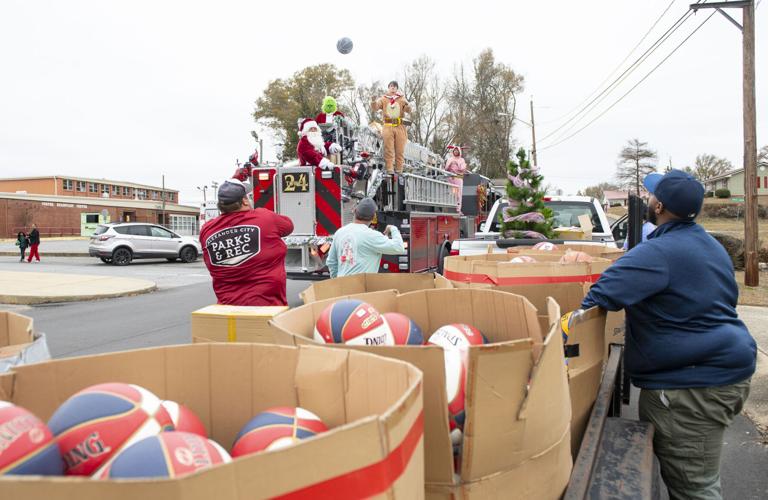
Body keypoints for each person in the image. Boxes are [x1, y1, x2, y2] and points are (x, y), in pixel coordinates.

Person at [579, 170, 756, 499]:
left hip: (690, 386)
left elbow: (601, 293)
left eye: (651, 194)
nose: (647, 199)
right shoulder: (708, 245)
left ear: (658, 206)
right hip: (723, 370)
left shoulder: (659, 253)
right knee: (696, 474)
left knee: (695, 488)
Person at [200, 179, 294, 306]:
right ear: (244, 200)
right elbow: (288, 226)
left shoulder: (207, 230)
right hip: (268, 307)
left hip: (227, 309)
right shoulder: (264, 218)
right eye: (247, 197)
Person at [326, 197, 405, 278]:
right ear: (374, 217)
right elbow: (399, 247)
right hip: (360, 288)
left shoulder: (340, 232)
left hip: (341, 288)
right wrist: (393, 229)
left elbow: (331, 262)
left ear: (355, 211)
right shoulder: (372, 236)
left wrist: (337, 282)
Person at [371, 81, 411, 175]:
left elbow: (408, 110)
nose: (392, 88)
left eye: (394, 86)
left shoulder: (401, 99)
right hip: (388, 125)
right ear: (388, 88)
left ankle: (399, 169)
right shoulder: (384, 99)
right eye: (391, 86)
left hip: (399, 126)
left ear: (397, 88)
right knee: (388, 149)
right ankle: (389, 168)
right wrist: (373, 101)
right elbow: (375, 107)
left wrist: (408, 105)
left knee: (400, 150)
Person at [445, 146, 468, 213]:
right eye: (454, 150)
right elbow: (446, 168)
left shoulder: (461, 160)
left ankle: (458, 209)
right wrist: (450, 164)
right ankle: (450, 208)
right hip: (451, 178)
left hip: (458, 178)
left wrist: (456, 163)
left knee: (458, 194)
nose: (455, 151)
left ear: (459, 152)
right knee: (452, 193)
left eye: (457, 150)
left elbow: (462, 169)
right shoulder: (450, 159)